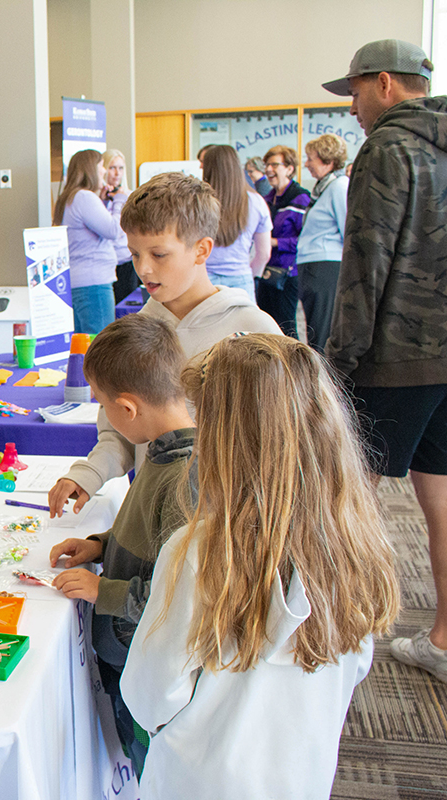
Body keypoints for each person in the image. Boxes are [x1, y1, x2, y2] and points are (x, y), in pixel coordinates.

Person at [121, 333, 400, 798]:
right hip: (303, 772)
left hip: (200, 778)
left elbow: (150, 695)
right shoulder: (357, 541)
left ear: (225, 440)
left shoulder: (197, 551)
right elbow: (357, 665)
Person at [323, 39, 447, 684]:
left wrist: (339, 361)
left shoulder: (387, 147)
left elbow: (365, 267)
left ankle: (339, 633)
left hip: (395, 357)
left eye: (354, 93)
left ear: (385, 83)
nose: (352, 108)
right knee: (443, 499)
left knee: (351, 499)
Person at [49, 173, 280, 517]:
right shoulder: (135, 333)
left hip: (230, 529)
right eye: (134, 253)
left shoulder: (254, 331)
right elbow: (119, 426)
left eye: (159, 254)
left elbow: (282, 444)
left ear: (201, 250)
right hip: (155, 522)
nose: (143, 268)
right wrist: (91, 472)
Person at [49, 313, 196, 776]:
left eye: (102, 404)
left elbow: (173, 597)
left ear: (126, 410)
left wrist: (100, 591)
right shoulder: (160, 448)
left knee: (147, 764)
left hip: (141, 661)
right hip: (125, 651)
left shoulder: (182, 479)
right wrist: (100, 544)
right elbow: (144, 532)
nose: (104, 414)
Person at [53, 149, 126, 333]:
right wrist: (119, 201)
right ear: (92, 169)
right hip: (94, 284)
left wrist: (104, 201)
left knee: (83, 347)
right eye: (102, 166)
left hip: (78, 283)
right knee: (101, 347)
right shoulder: (85, 197)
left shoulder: (69, 198)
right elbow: (114, 230)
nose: (104, 171)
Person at [295, 133, 350, 355]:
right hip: (312, 266)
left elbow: (348, 230)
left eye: (311, 158)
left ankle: (325, 384)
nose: (306, 164)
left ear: (328, 160)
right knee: (314, 332)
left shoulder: (339, 186)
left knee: (322, 332)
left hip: (326, 266)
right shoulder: (322, 188)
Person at [201, 145, 272, 299]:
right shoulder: (257, 202)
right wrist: (250, 274)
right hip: (241, 280)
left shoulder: (198, 202)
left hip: (204, 280)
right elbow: (264, 253)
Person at [257, 145, 312, 337]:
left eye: (274, 165)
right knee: (265, 327)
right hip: (266, 271)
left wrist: (275, 242)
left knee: (285, 329)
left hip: (287, 273)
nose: (269, 170)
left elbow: (305, 239)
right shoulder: (267, 199)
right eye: (267, 165)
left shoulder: (301, 198)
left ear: (289, 168)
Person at [102, 149, 140, 303]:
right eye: (112, 168)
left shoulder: (131, 197)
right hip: (106, 265)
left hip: (126, 262)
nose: (117, 173)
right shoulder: (96, 200)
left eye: (121, 168)